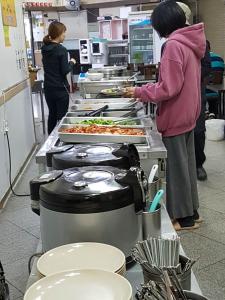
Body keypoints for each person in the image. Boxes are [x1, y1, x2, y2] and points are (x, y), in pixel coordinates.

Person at [124, 0, 206, 231]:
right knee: (187, 167)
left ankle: (185, 219)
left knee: (178, 171)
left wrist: (140, 91)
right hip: (190, 113)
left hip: (176, 115)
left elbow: (168, 88)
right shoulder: (190, 42)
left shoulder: (172, 46)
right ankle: (193, 212)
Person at [176, 2, 211, 182]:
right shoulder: (172, 42)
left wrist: (189, 77)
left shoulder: (201, 41)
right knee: (179, 131)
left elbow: (206, 67)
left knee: (198, 129)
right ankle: (184, 165)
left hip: (196, 91)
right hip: (178, 94)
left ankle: (198, 164)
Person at [42, 21, 76, 135]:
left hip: (48, 88)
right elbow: (64, 70)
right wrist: (71, 62)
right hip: (60, 89)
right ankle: (61, 140)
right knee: (62, 117)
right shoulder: (61, 49)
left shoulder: (44, 48)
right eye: (64, 33)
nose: (65, 35)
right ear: (58, 33)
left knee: (52, 114)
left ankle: (49, 141)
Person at [206, 42, 225, 118]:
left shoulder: (201, 60)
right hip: (218, 93)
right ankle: (213, 113)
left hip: (204, 93)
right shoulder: (220, 58)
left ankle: (205, 113)